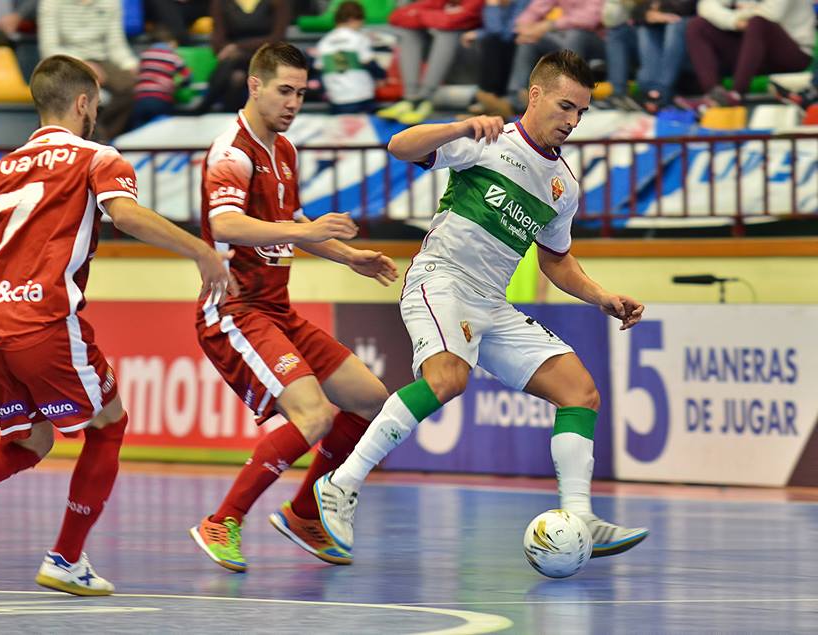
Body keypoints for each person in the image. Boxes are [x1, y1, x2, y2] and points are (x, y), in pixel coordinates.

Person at [0, 55, 236, 596]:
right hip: (42, 319)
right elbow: (126, 216)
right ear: (82, 103)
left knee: (30, 440)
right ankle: (66, 558)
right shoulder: (100, 157)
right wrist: (201, 252)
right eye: (95, 103)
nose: (96, 112)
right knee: (109, 424)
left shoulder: (2, 167)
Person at [314, 50, 649, 562]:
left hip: (491, 304)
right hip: (440, 282)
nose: (573, 120)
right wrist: (460, 126)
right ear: (534, 95)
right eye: (565, 106)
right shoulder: (487, 142)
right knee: (448, 378)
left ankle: (579, 516)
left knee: (580, 392)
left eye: (582, 112)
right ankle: (341, 482)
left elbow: (556, 263)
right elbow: (399, 146)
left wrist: (602, 295)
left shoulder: (564, 187)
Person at [188, 42, 399, 572]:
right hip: (234, 311)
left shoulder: (284, 151)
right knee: (313, 415)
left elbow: (296, 221)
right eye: (285, 90)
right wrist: (302, 230)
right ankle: (223, 520)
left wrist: (348, 256)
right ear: (254, 85)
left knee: (372, 402)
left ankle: (304, 512)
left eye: (302, 93)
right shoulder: (231, 153)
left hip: (277, 311)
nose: (294, 103)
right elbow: (228, 225)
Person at [681, 0, 814, 108]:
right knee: (696, 26)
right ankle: (715, 95)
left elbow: (771, 15)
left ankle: (736, 95)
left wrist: (737, 11)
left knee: (758, 23)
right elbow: (705, 6)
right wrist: (734, 22)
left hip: (793, 54)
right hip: (752, 52)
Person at [38, 0, 139, 141]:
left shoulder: (111, 2)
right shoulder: (50, 3)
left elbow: (115, 45)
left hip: (102, 59)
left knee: (132, 86)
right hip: (64, 60)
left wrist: (131, 65)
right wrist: (84, 64)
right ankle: (66, 139)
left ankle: (100, 137)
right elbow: (49, 48)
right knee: (58, 87)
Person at [377, 0, 484, 125]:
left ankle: (424, 98)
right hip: (448, 55)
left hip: (478, 54)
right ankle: (411, 98)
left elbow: (450, 22)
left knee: (447, 33)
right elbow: (396, 17)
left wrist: (419, 15)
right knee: (409, 33)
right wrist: (439, 16)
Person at [502, 0, 604, 113]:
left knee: (574, 36)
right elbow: (534, 10)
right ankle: (517, 97)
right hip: (563, 35)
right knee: (530, 40)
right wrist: (525, 27)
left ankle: (568, 97)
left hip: (598, 39)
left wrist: (549, 25)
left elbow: (590, 19)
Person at [196, 0, 290, 113]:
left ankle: (206, 104)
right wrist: (230, 49)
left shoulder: (278, 2)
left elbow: (277, 38)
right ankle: (231, 122)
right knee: (236, 78)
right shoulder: (221, 3)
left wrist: (238, 47)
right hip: (234, 60)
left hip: (267, 56)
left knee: (234, 65)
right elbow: (218, 39)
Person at [316, 0, 385, 115]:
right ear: (354, 19)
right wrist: (382, 76)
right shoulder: (359, 38)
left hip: (336, 97)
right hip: (361, 95)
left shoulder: (324, 42)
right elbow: (369, 62)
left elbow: (319, 68)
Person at [130, 31, 192, 129]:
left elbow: (136, 72)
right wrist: (179, 86)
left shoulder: (145, 55)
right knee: (162, 129)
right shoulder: (173, 57)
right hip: (161, 98)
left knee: (137, 129)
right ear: (171, 42)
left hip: (140, 98)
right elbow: (187, 76)